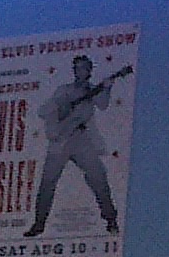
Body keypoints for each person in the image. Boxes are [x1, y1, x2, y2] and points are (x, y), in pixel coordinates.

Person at [23, 53, 126, 238]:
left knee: (98, 176)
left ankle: (111, 219)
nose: (80, 71)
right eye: (77, 68)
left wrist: (107, 88)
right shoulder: (64, 90)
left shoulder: (93, 90)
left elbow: (103, 105)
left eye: (84, 68)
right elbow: (44, 111)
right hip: (60, 141)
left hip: (81, 139)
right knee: (48, 182)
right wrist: (62, 110)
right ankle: (39, 224)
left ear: (89, 71)